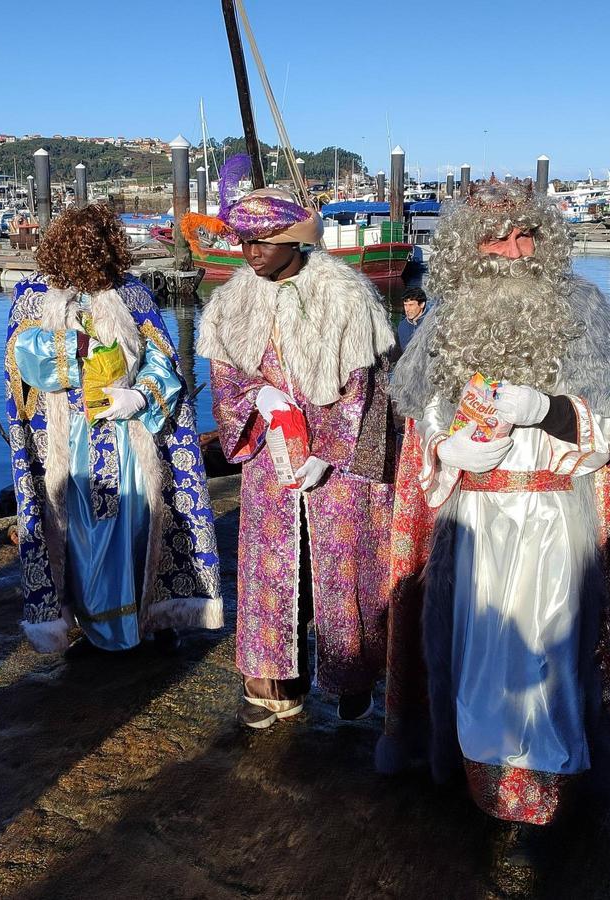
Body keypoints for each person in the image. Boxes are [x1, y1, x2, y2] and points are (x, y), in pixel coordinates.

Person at [378, 182, 610, 861]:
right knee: (479, 661)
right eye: (496, 238)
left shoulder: (584, 312)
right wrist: (447, 449)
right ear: (466, 251)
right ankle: (486, 789)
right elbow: (423, 438)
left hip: (549, 519)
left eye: (525, 234)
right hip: (472, 522)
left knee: (549, 661)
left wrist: (550, 409)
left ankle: (544, 796)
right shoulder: (444, 325)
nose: (513, 251)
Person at [190, 158, 397, 729]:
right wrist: (257, 397)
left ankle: (352, 678)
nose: (251, 254)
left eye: (262, 243)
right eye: (243, 243)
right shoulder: (232, 302)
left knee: (342, 566)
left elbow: (366, 389)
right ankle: (273, 682)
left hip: (340, 465)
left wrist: (327, 452)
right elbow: (228, 381)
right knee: (271, 568)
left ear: (292, 240)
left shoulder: (346, 297)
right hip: (268, 460)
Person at [5, 204, 223, 655]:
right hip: (68, 440)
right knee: (76, 534)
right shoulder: (33, 295)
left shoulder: (133, 294)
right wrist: (76, 345)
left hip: (129, 434)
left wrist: (140, 396)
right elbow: (21, 360)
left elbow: (163, 360)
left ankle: (143, 617)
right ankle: (88, 622)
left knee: (136, 522)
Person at [397, 286, 428, 352]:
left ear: (422, 304)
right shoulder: (402, 326)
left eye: (411, 305)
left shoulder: (432, 324)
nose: (407, 309)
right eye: (405, 305)